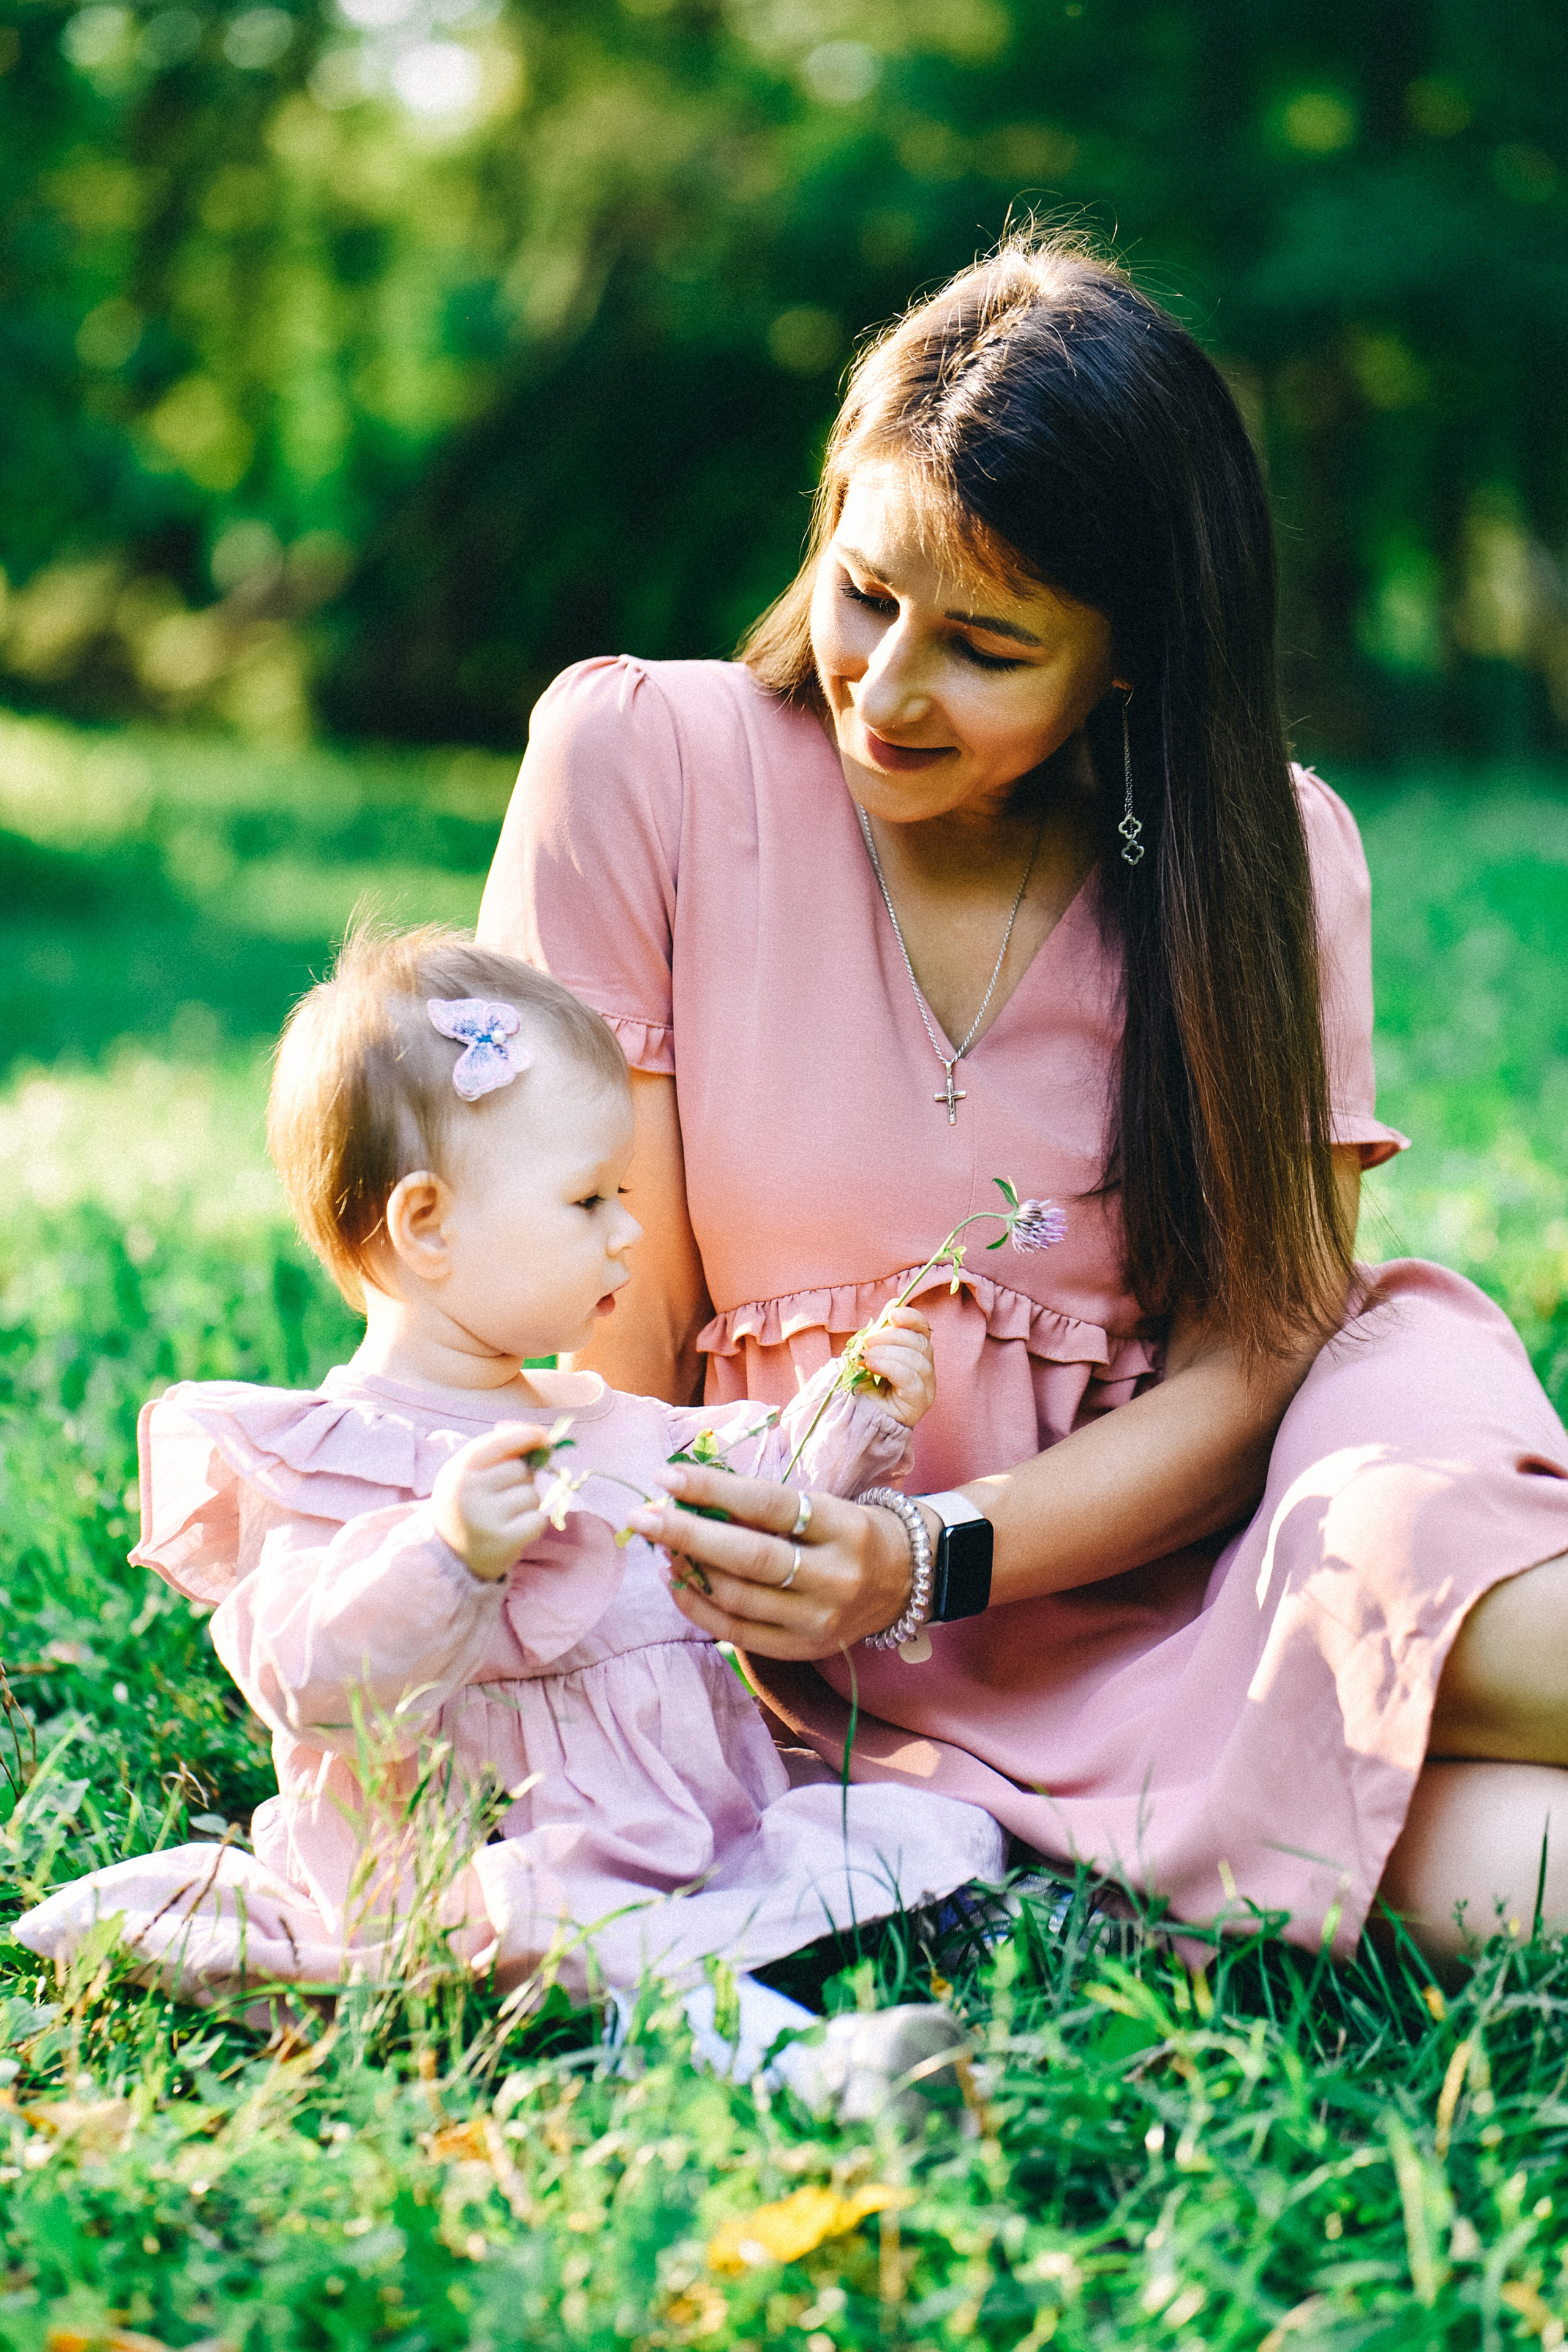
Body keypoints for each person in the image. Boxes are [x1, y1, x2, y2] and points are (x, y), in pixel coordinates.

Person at [477, 232, 1568, 1970]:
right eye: (864, 590)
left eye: (986, 647)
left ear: (1128, 662)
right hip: (846, 1639)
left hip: (1255, 1509)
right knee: (1530, 1882)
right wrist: (781, 1572)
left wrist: (931, 1555)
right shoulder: (638, 768)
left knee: (1470, 1620)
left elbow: (1255, 1353)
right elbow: (608, 1327)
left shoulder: (1269, 856)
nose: (889, 689)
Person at [14, 931, 1005, 2071]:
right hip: (484, 1868)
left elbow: (743, 1512)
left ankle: (809, 1973)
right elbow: (305, 1672)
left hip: (681, 1834)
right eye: (588, 1198)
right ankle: (815, 2071)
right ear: (427, 1224)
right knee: (584, 1944)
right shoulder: (333, 1459)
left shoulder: (605, 1422)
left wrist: (850, 1414)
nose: (629, 1227)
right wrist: (445, 1558)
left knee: (907, 1833)